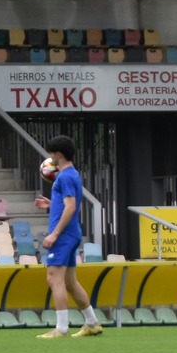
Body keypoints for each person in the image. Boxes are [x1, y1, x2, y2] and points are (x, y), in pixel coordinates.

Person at [39, 134, 103, 339]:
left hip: (64, 235)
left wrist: (54, 234)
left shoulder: (64, 176)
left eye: (51, 154)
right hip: (72, 233)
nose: (50, 158)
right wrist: (51, 205)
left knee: (53, 278)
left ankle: (62, 328)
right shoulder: (72, 174)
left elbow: (71, 206)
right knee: (70, 282)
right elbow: (68, 205)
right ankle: (92, 323)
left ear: (58, 154)